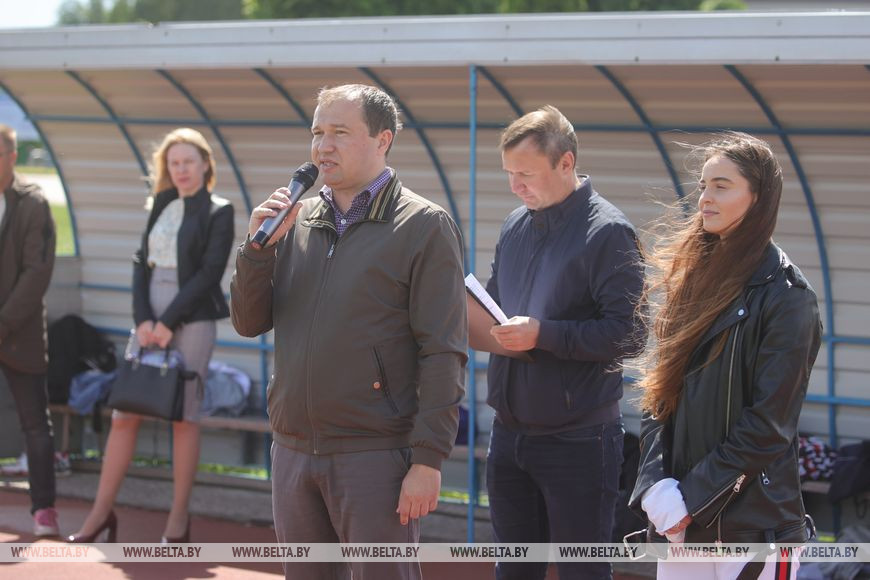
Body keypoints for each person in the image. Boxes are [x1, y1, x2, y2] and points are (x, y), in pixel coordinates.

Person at [230, 84, 467, 580]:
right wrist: (256, 253)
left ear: (383, 140)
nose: (323, 146)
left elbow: (443, 351)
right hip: (293, 449)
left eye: (339, 132)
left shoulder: (424, 226)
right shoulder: (297, 220)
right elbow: (248, 323)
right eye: (317, 132)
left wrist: (428, 460)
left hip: (374, 455)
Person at [629, 132, 822, 579]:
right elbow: (659, 394)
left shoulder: (789, 297)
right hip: (681, 529)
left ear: (758, 197)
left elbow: (769, 425)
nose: (705, 198)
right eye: (703, 186)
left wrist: (691, 499)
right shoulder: (691, 282)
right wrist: (655, 486)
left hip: (755, 530)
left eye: (721, 186)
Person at [483, 106, 646, 580]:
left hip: (579, 440)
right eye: (509, 173)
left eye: (526, 174)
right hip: (508, 432)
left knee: (583, 573)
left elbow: (630, 334)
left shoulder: (609, 232)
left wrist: (543, 334)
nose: (515, 186)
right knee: (514, 572)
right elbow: (495, 302)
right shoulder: (515, 224)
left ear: (566, 163)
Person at [67, 127, 235, 543]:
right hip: (148, 319)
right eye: (173, 163)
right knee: (124, 414)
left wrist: (167, 323)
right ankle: (99, 515)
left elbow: (209, 274)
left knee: (184, 419)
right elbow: (140, 262)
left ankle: (178, 520)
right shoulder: (161, 203)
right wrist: (143, 319)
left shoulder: (219, 210)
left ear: (205, 165)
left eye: (188, 161)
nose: (181, 169)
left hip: (192, 319)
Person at [0, 123, 60, 537]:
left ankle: (44, 511)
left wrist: (3, 323)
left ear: (12, 157)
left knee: (35, 424)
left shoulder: (33, 202)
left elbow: (37, 271)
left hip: (20, 335)